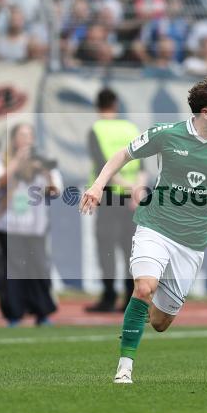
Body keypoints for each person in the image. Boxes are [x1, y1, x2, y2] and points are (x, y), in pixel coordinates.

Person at [80, 74, 207, 384]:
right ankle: (124, 367)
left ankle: (141, 308)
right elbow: (123, 153)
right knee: (144, 287)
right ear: (206, 113)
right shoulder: (167, 135)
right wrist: (97, 185)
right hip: (155, 227)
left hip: (192, 243)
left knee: (160, 323)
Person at [0, 123, 61, 327]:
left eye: (29, 135)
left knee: (39, 269)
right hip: (9, 226)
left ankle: (42, 313)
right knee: (12, 272)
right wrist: (18, 160)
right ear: (14, 139)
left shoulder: (42, 161)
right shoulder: (3, 159)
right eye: (21, 135)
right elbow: (0, 181)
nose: (26, 139)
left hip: (35, 227)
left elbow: (55, 190)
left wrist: (45, 170)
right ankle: (14, 314)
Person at [85, 88, 145, 313]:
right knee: (131, 249)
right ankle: (131, 298)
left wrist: (127, 187)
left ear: (97, 106)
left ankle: (109, 297)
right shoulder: (130, 128)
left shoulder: (96, 129)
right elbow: (142, 165)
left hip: (109, 195)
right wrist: (137, 189)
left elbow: (104, 165)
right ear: (116, 104)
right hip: (132, 198)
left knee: (106, 248)